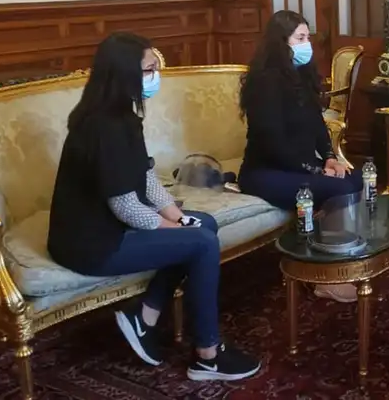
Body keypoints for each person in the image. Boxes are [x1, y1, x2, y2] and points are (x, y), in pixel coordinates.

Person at [47, 32, 260, 382]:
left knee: (202, 225)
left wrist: (179, 218)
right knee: (201, 242)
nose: (155, 76)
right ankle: (208, 355)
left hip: (110, 228)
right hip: (90, 244)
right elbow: (127, 208)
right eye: (149, 69)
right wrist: (176, 230)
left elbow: (146, 179)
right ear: (123, 73)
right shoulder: (102, 127)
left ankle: (144, 316)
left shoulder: (123, 116)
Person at [237, 10, 362, 302]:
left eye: (308, 37)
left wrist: (330, 158)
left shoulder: (301, 76)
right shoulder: (263, 84)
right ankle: (324, 275)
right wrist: (317, 172)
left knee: (355, 178)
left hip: (301, 167)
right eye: (300, 38)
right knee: (341, 188)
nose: (307, 44)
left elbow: (317, 125)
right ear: (282, 43)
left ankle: (326, 254)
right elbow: (273, 144)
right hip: (267, 172)